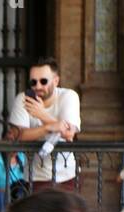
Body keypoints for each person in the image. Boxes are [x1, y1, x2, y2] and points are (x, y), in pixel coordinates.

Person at [7, 57, 80, 192]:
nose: (38, 86)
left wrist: (41, 114)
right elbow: (18, 135)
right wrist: (49, 127)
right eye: (33, 82)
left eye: (43, 81)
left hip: (66, 174)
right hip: (34, 177)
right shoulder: (23, 99)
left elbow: (69, 134)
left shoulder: (69, 96)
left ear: (56, 81)